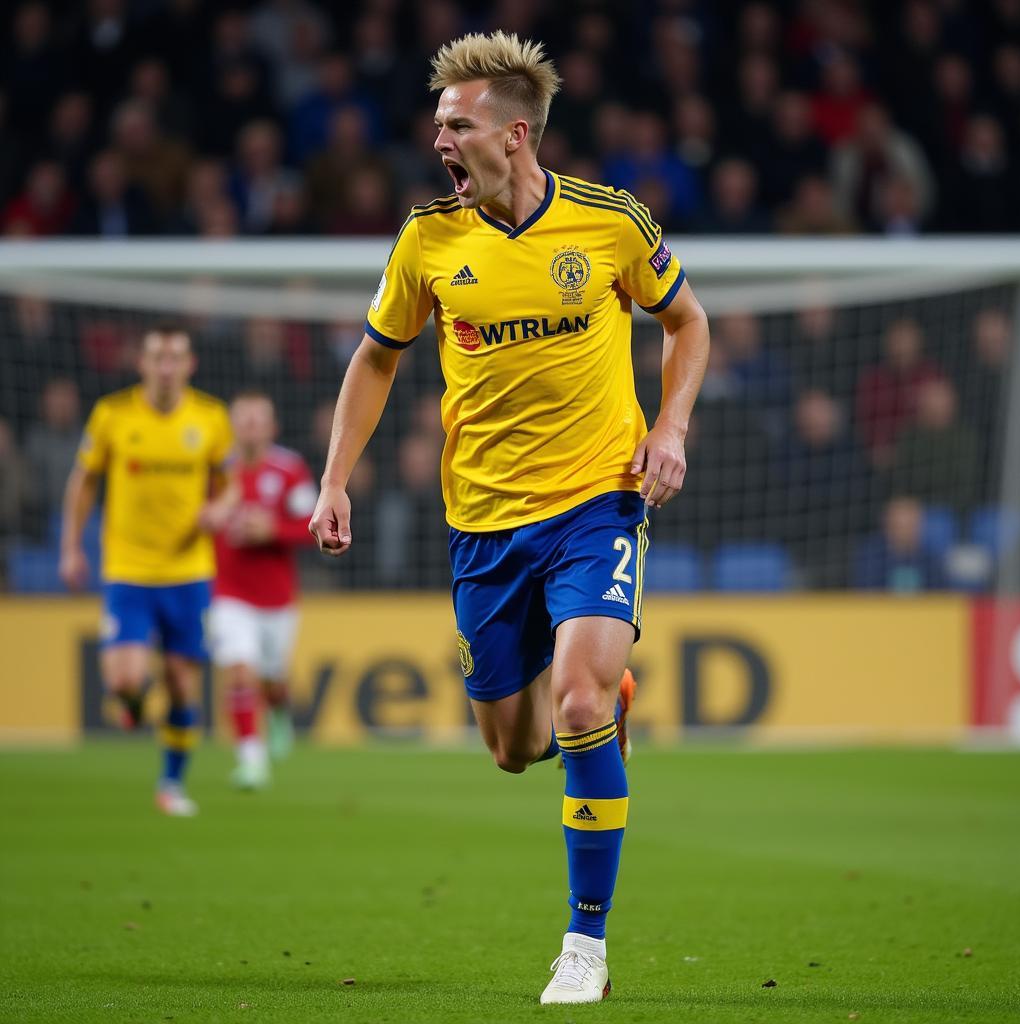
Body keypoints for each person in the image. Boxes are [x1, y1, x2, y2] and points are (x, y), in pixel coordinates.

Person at [308, 32, 709, 1005]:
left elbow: (687, 321)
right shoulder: (427, 239)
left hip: (595, 503)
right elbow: (375, 356)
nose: (438, 138)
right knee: (512, 747)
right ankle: (593, 708)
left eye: (456, 123)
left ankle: (584, 944)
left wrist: (670, 428)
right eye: (437, 123)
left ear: (514, 135)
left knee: (577, 702)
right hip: (484, 524)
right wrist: (333, 479)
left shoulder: (609, 223)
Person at [59, 326, 233, 817]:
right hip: (129, 571)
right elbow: (85, 481)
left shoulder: (210, 418)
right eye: (157, 357)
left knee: (182, 682)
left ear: (189, 364)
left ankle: (171, 784)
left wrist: (220, 510)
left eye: (174, 357)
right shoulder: (113, 415)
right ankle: (136, 704)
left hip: (189, 571)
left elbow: (231, 483)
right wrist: (72, 547)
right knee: (123, 681)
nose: (165, 367)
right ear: (142, 363)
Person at [206, 392, 318, 789]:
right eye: (244, 419)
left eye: (259, 419)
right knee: (240, 672)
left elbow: (311, 526)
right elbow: (197, 517)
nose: (251, 426)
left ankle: (279, 711)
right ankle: (251, 760)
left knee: (271, 680)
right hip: (229, 593)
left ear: (273, 427)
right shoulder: (215, 471)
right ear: (232, 426)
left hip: (277, 598)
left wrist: (273, 530)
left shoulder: (289, 469)